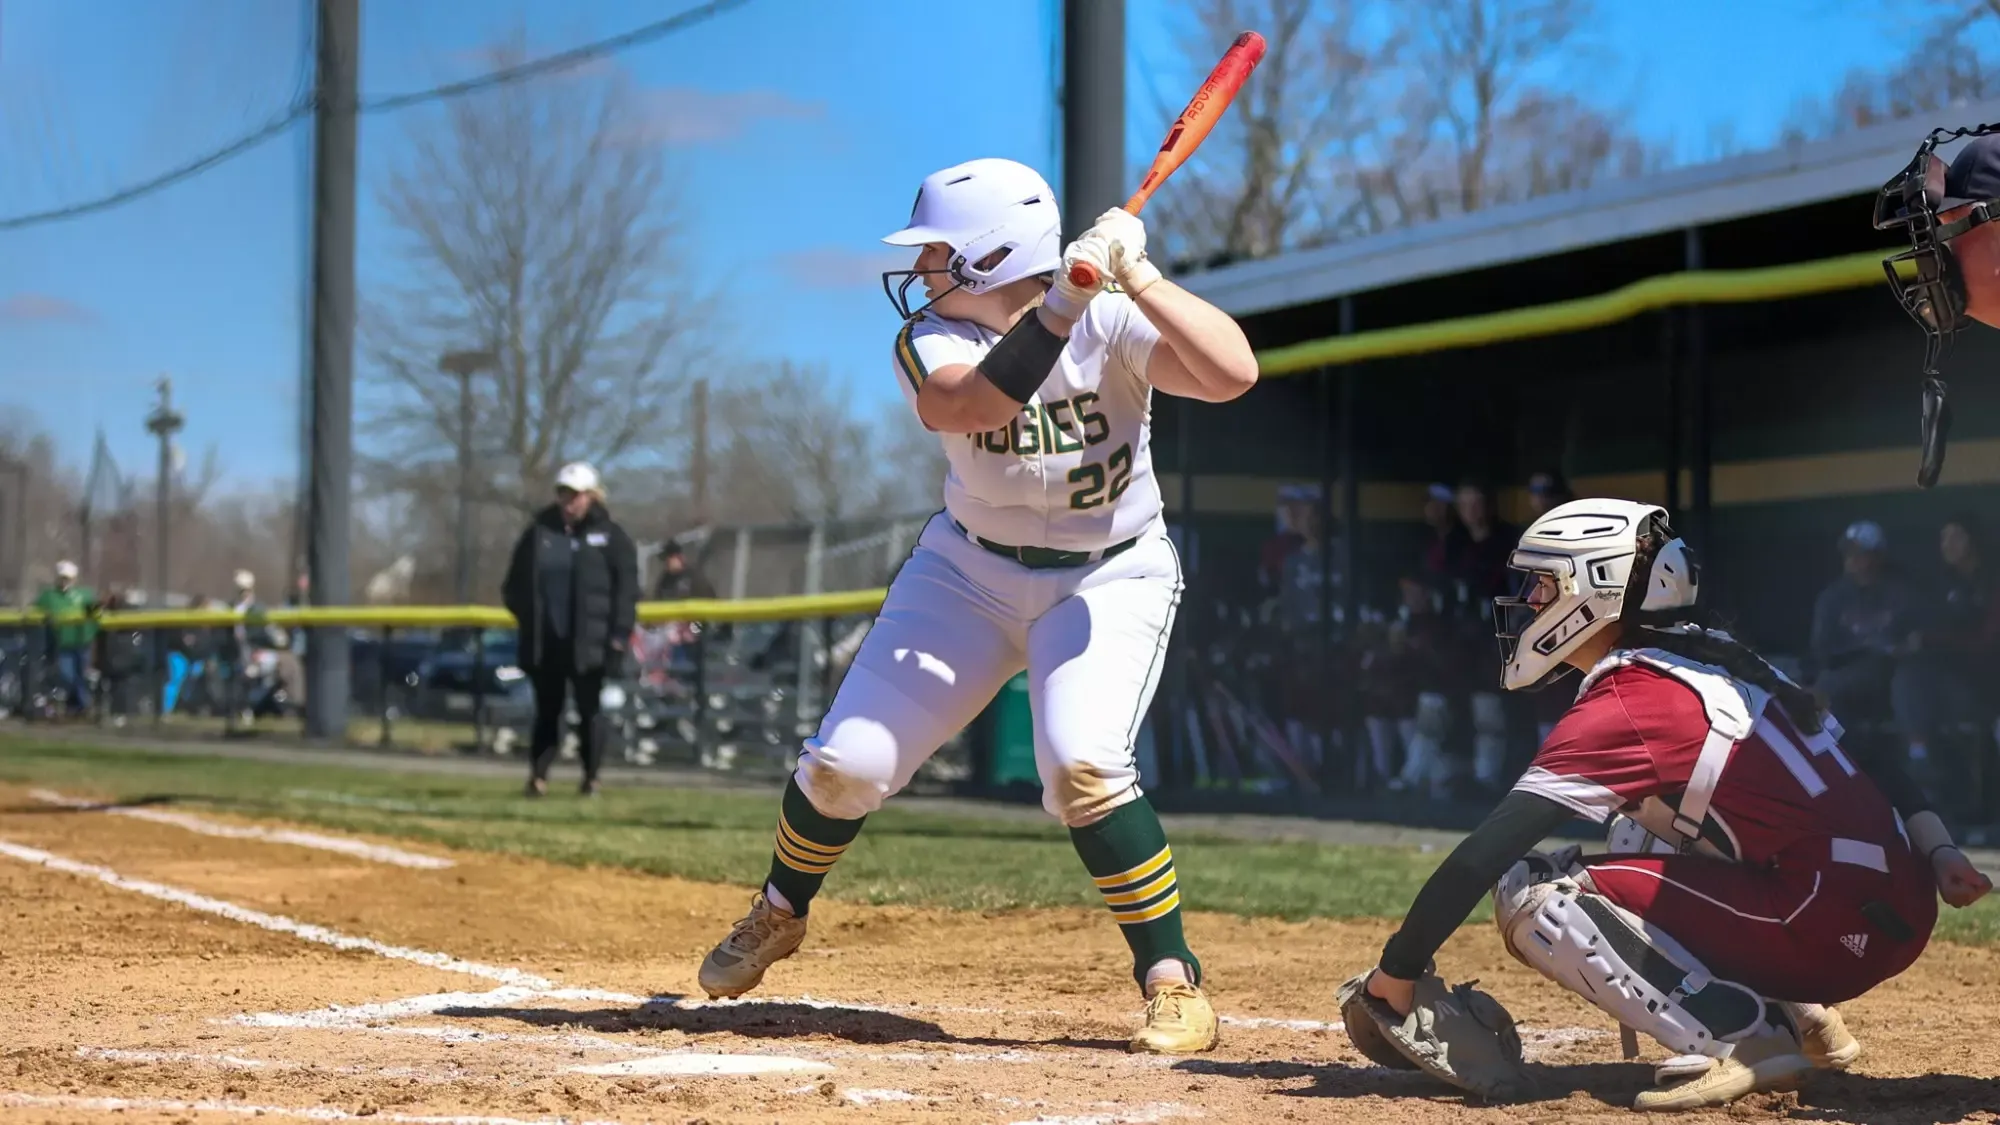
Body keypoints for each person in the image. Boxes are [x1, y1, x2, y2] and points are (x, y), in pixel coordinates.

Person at [694, 157, 1260, 1054]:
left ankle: (1171, 976)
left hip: (1108, 574)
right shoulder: (931, 338)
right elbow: (967, 405)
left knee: (1081, 767)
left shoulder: (1109, 318)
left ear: (995, 255)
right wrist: (1059, 306)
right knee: (845, 765)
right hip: (967, 571)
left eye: (939, 253)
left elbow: (1232, 373)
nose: (922, 271)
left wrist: (1135, 274)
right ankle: (778, 909)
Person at [1352, 498, 1992, 1111]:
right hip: (1890, 902)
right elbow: (1871, 757)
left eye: (1543, 584)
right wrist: (1938, 849)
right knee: (1645, 824)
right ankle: (1804, 1017)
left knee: (1532, 892)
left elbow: (1488, 853)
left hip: (1826, 922)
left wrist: (1397, 972)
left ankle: (1740, 1035)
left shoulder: (1633, 698)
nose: (1529, 601)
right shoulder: (1717, 660)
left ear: (1594, 588)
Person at [500, 462, 639, 798]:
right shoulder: (539, 533)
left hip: (590, 644)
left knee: (590, 711)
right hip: (546, 643)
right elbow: (513, 586)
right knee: (548, 711)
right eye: (563, 493)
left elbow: (627, 590)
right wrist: (531, 620)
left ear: (591, 496)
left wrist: (619, 634)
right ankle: (538, 777)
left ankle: (591, 778)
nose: (568, 501)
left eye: (576, 494)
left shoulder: (611, 537)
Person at [1807, 521, 1923, 730]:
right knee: (1822, 688)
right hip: (1844, 671)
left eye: (1860, 552)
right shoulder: (1832, 597)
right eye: (1848, 552)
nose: (1852, 558)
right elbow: (1821, 648)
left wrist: (1896, 647)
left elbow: (1913, 640)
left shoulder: (1901, 592)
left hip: (1889, 674)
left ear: (1878, 555)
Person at [33, 560, 98, 717]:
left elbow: (97, 614)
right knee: (67, 675)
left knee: (81, 675)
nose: (65, 581)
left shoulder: (84, 595)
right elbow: (35, 610)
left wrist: (92, 634)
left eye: (68, 578)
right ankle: (78, 703)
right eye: (62, 578)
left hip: (82, 642)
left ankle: (81, 705)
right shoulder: (49, 596)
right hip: (63, 643)